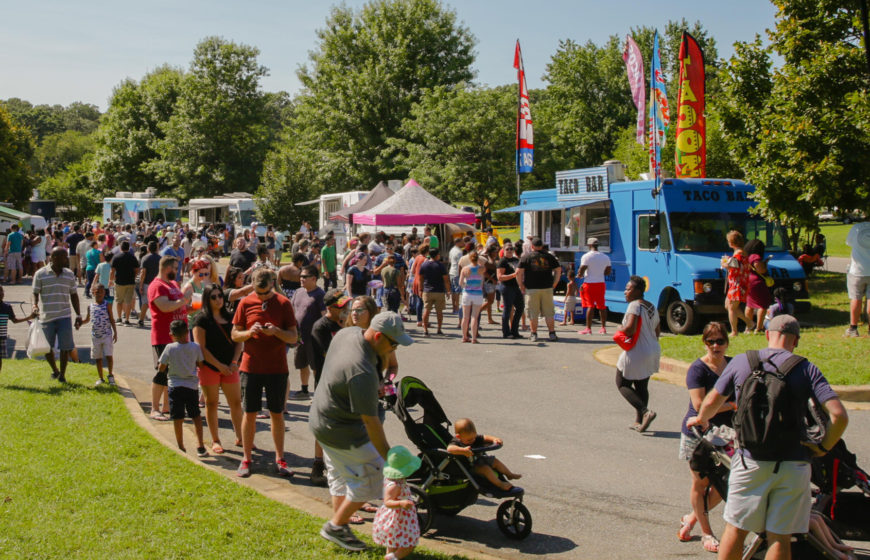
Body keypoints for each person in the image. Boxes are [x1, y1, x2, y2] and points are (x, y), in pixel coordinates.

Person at [688, 315, 849, 560]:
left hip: (749, 460)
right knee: (780, 536)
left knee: (737, 528)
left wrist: (701, 419)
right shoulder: (806, 368)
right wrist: (823, 448)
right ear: (795, 341)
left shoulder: (742, 362)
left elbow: (710, 402)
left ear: (767, 335)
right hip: (793, 464)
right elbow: (839, 415)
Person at [310, 311, 413, 552]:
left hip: (321, 417)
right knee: (373, 479)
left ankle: (341, 528)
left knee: (340, 475)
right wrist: (391, 460)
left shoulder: (348, 333)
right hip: (339, 429)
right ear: (378, 336)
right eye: (393, 343)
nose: (394, 348)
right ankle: (336, 526)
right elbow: (372, 424)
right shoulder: (362, 371)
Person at [232, 268, 298, 478]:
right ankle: (246, 458)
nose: (261, 297)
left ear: (272, 284)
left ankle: (280, 458)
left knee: (276, 414)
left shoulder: (283, 303)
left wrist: (276, 332)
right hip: (250, 367)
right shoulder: (245, 302)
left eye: (265, 293)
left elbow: (293, 337)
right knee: (249, 413)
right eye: (257, 293)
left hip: (277, 368)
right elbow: (235, 334)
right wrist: (249, 333)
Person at [677, 322, 735, 553]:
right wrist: (732, 404)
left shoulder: (732, 365)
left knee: (724, 485)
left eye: (720, 341)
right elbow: (700, 406)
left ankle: (692, 519)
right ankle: (706, 533)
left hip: (726, 435)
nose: (715, 346)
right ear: (704, 343)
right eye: (710, 341)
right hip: (699, 433)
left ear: (727, 342)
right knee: (701, 484)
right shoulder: (698, 369)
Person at [192, 284, 244, 455]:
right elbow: (201, 348)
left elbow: (239, 341)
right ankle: (215, 440)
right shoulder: (201, 319)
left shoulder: (230, 317)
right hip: (210, 367)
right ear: (207, 299)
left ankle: (241, 437)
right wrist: (219, 366)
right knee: (212, 403)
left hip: (231, 367)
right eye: (213, 297)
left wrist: (234, 362)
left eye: (220, 296)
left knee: (236, 403)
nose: (218, 300)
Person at [308, 289, 351, 487]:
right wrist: (343, 329)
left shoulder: (346, 325)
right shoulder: (321, 327)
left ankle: (344, 468)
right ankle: (318, 464)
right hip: (326, 384)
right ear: (330, 308)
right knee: (325, 426)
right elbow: (332, 355)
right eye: (341, 307)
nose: (346, 310)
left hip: (347, 385)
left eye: (346, 306)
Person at [615, 275, 661, 432]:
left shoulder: (634, 305)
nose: (625, 292)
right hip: (652, 349)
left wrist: (619, 330)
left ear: (638, 291)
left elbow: (630, 329)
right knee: (642, 385)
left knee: (622, 383)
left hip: (637, 350)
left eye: (628, 289)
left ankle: (645, 412)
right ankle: (639, 421)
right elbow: (657, 331)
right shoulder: (652, 306)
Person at [148, 256, 191, 421]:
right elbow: (165, 307)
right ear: (167, 268)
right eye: (175, 268)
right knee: (162, 372)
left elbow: (179, 306)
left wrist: (192, 306)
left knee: (172, 373)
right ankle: (154, 408)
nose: (177, 271)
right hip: (163, 336)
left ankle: (167, 407)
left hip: (178, 337)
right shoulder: (157, 286)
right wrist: (184, 299)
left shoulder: (172, 284)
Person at [32, 247, 82, 383]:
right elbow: (35, 292)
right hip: (46, 316)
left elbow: (74, 295)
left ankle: (63, 376)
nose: (66, 259)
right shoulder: (40, 274)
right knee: (47, 348)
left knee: (65, 347)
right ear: (54, 258)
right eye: (64, 257)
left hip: (64, 316)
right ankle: (55, 370)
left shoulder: (69, 274)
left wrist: (78, 315)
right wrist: (35, 305)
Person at [158, 320, 207, 456]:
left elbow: (161, 367)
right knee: (196, 416)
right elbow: (201, 365)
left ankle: (181, 445)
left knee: (178, 417)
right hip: (191, 386)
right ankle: (200, 445)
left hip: (175, 386)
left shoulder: (169, 348)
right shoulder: (195, 347)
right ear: (187, 332)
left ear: (171, 334)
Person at [372, 446, 421, 560]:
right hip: (398, 518)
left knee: (393, 541)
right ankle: (393, 557)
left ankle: (390, 555)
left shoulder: (395, 480)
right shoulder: (394, 485)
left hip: (400, 517)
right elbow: (387, 502)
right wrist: (401, 503)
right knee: (410, 543)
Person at [447, 418, 522, 492]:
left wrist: (494, 439)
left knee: (495, 461)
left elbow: (485, 437)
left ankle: (509, 474)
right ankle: (500, 484)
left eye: (474, 437)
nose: (472, 440)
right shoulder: (456, 441)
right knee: (485, 469)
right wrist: (463, 450)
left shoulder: (473, 437)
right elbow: (450, 449)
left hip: (479, 460)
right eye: (469, 440)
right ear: (458, 437)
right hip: (468, 467)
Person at [289, 265, 325, 401]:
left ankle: (319, 394)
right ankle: (304, 390)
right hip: (299, 337)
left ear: (314, 278)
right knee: (301, 364)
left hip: (314, 339)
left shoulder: (320, 294)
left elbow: (324, 316)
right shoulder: (298, 291)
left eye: (304, 276)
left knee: (316, 366)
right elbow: (293, 310)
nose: (301, 278)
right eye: (301, 276)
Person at [516, 237, 561, 342]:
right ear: (542, 246)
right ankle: (552, 333)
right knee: (549, 312)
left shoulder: (526, 257)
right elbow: (558, 270)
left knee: (533, 312)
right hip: (547, 287)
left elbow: (518, 272)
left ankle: (534, 333)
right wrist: (555, 283)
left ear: (532, 246)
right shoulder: (549, 257)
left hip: (531, 288)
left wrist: (521, 285)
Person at [77, 283, 118, 386]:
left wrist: (115, 332)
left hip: (106, 335)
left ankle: (110, 375)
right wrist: (80, 323)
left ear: (104, 293)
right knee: (98, 358)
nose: (99, 294)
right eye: (97, 292)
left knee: (109, 356)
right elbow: (87, 319)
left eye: (101, 292)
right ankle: (101, 378)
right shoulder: (90, 306)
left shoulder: (107, 305)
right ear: (93, 293)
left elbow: (112, 319)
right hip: (95, 336)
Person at [577, 237, 611, 335]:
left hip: (589, 283)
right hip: (601, 283)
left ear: (589, 245)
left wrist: (580, 274)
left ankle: (588, 329)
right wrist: (600, 273)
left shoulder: (586, 256)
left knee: (590, 306)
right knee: (602, 306)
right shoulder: (605, 257)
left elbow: (582, 268)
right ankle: (603, 328)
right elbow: (608, 272)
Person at [723, 230, 753, 337]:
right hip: (739, 283)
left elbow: (735, 268)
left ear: (731, 242)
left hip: (737, 284)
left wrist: (726, 264)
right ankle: (749, 322)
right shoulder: (742, 253)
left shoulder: (738, 255)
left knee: (731, 307)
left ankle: (734, 331)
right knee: (728, 305)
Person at [0, 285, 36, 371]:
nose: (1, 293)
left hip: (1, 337)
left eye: (2, 291)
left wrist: (29, 317)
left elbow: (15, 320)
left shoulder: (7, 307)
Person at [845, 221, 870, 337]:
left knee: (855, 298)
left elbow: (849, 242)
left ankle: (853, 328)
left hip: (857, 269)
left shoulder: (857, 228)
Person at [419, 250, 450, 336]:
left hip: (427, 290)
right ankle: (439, 329)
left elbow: (420, 278)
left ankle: (425, 330)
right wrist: (448, 291)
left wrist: (420, 289)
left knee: (426, 310)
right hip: (439, 291)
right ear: (437, 255)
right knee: (439, 312)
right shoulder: (441, 265)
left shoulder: (424, 264)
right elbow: (446, 279)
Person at [745, 239, 771, 334]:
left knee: (749, 305)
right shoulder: (756, 256)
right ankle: (759, 328)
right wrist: (765, 265)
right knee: (762, 305)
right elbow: (760, 269)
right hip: (757, 282)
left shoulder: (747, 256)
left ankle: (748, 327)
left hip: (748, 281)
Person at [110, 240, 139, 325]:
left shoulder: (116, 257)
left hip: (119, 281)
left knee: (119, 301)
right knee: (128, 301)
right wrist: (134, 275)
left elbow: (112, 271)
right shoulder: (132, 257)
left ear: (120, 248)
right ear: (128, 248)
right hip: (130, 281)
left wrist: (111, 280)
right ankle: (127, 319)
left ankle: (119, 318)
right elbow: (137, 269)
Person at [458, 250, 484, 343]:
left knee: (465, 317)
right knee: (474, 317)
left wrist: (465, 286)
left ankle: (464, 336)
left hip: (467, 293)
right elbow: (482, 281)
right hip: (477, 294)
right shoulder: (481, 269)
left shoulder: (465, 269)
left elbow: (460, 283)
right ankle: (474, 338)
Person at [138, 241, 161, 326]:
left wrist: (140, 285)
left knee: (145, 302)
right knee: (157, 303)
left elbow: (143, 273)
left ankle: (141, 319)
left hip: (147, 283)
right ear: (156, 248)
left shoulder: (145, 258)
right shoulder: (160, 258)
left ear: (148, 248)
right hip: (157, 283)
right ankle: (157, 320)